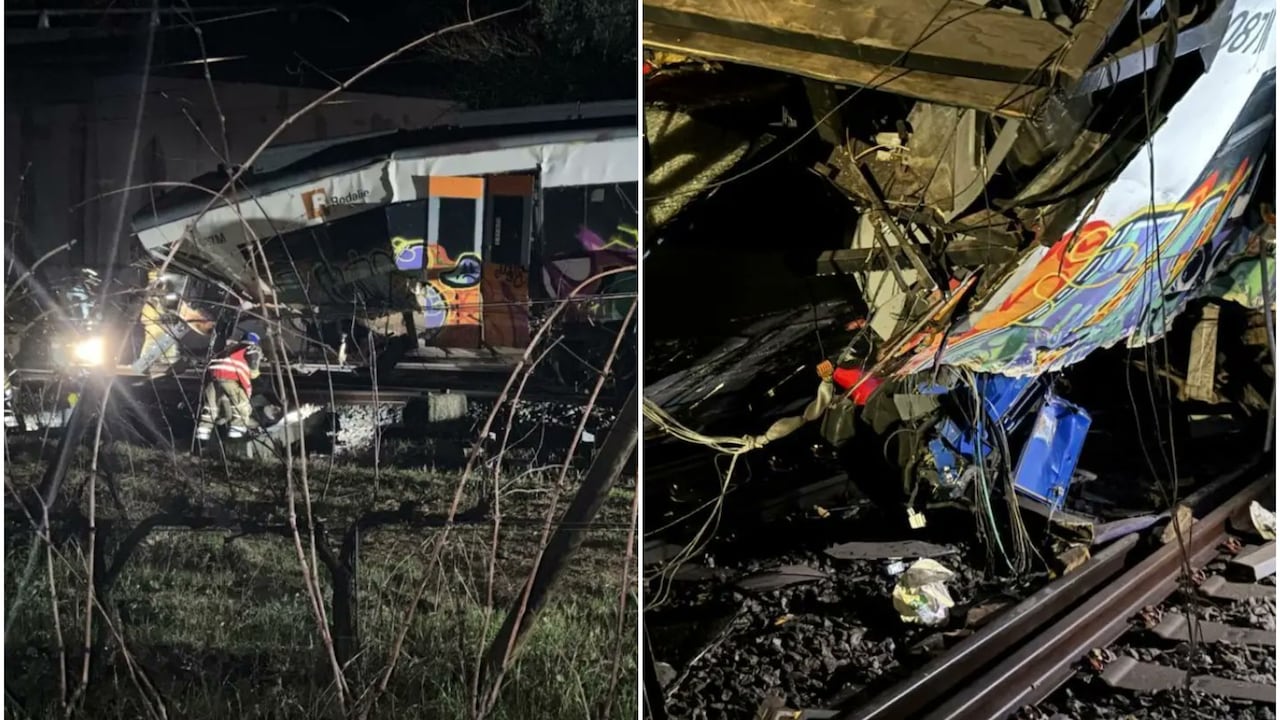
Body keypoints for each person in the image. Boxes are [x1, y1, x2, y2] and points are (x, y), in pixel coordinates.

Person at [196, 331, 262, 441]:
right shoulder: (251, 348)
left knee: (210, 406)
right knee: (241, 403)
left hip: (213, 376)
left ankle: (203, 430)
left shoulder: (228, 347)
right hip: (230, 377)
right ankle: (237, 428)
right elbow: (253, 368)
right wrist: (255, 371)